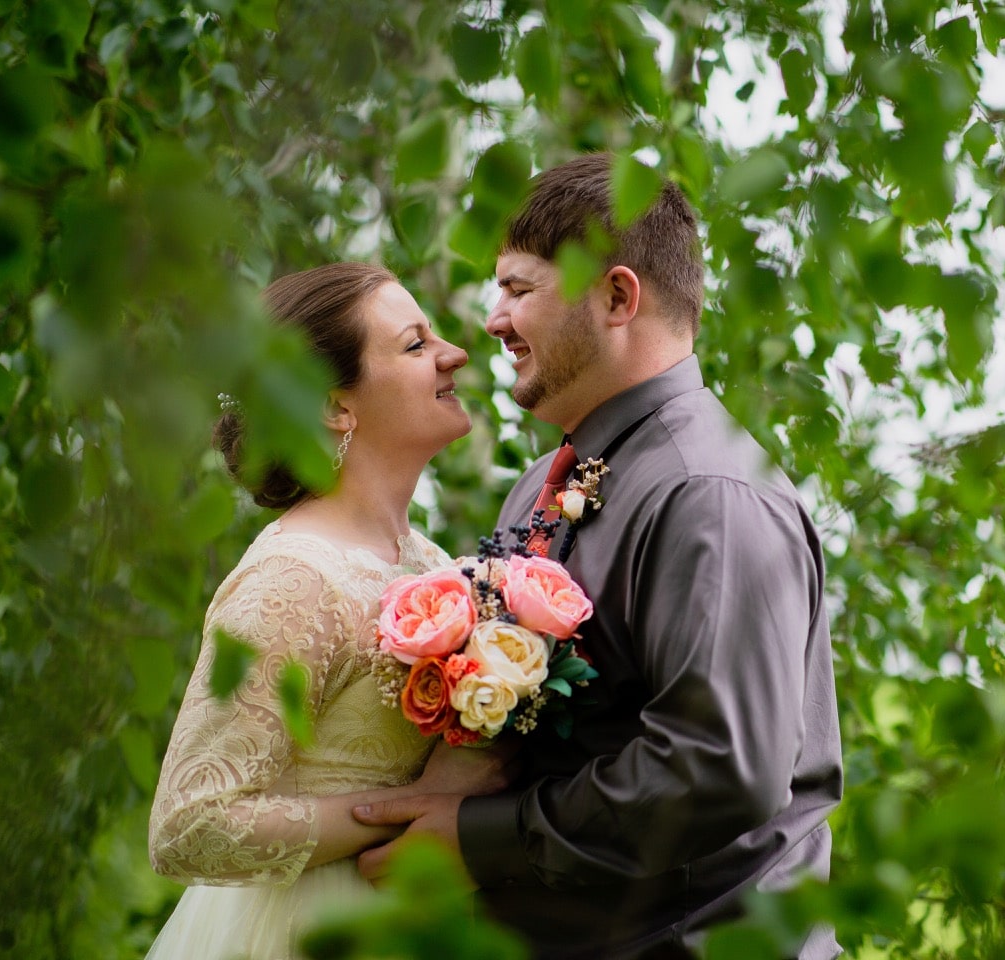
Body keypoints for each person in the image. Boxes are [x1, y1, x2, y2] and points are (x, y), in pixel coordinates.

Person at [354, 154, 844, 958]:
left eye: (519, 289)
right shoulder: (540, 486)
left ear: (617, 296)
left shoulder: (709, 493)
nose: (492, 320)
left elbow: (719, 768)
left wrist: (483, 840)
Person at [145, 262, 513, 960]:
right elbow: (189, 823)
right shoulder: (293, 577)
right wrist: (402, 815)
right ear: (335, 406)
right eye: (415, 344)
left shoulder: (432, 564)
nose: (454, 353)